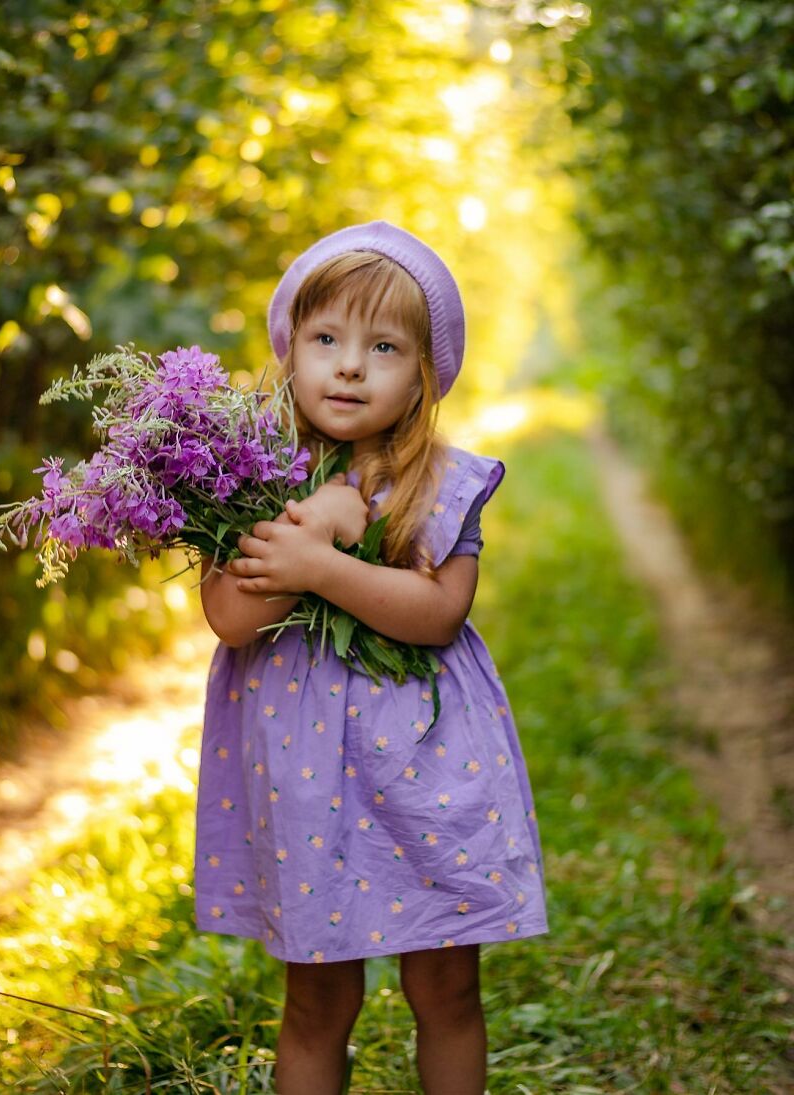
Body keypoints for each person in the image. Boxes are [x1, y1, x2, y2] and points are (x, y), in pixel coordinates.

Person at [196, 221, 548, 1095]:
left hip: (429, 765)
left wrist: (322, 569)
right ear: (290, 350)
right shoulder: (249, 475)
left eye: (383, 346)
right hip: (303, 773)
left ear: (423, 374)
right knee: (316, 998)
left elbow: (436, 614)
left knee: (446, 984)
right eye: (327, 339)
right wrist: (312, 522)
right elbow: (231, 614)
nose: (349, 366)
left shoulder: (444, 481)